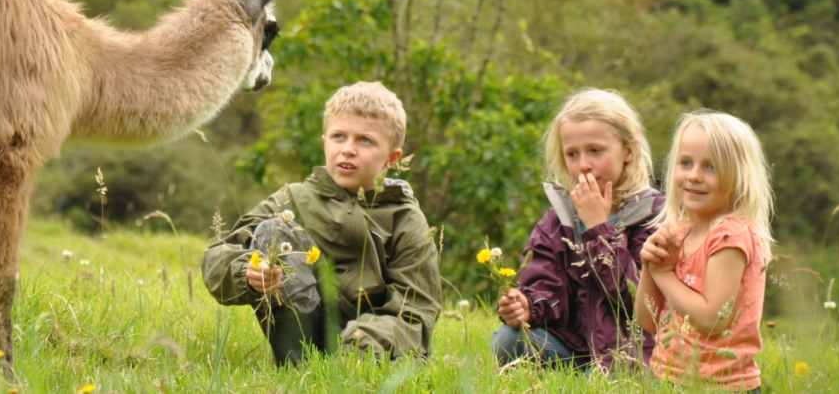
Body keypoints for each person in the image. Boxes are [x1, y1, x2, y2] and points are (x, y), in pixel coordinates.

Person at [202, 81, 442, 364]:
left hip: (377, 351)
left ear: (392, 157)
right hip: (304, 338)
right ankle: (297, 365)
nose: (348, 149)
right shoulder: (294, 199)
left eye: (365, 140)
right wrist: (249, 274)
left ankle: (345, 364)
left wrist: (361, 347)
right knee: (274, 231)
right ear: (324, 141)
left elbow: (416, 308)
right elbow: (217, 257)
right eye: (339, 137)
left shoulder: (406, 219)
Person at [494, 88, 664, 369]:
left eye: (595, 151)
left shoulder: (654, 215)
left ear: (628, 152)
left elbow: (635, 298)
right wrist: (527, 306)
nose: (583, 165)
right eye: (572, 154)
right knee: (508, 340)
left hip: (634, 355)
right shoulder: (558, 218)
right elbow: (545, 285)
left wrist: (599, 229)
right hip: (573, 351)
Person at [635, 110, 773, 392]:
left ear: (739, 177)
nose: (694, 176)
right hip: (666, 378)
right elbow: (645, 320)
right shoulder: (677, 231)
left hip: (721, 385)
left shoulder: (731, 236)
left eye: (710, 167)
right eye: (686, 163)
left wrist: (663, 274)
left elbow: (713, 318)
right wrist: (649, 266)